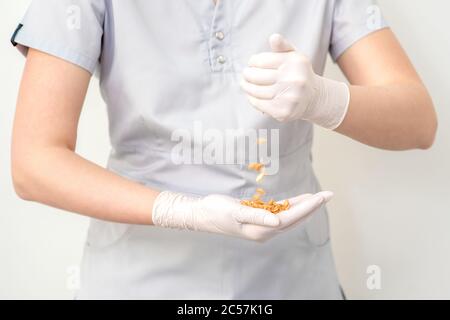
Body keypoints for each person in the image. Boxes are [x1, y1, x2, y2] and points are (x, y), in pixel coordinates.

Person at [10, 0, 437, 299]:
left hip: (290, 281)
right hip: (140, 281)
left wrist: (323, 99)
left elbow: (418, 122)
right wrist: (183, 209)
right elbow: (34, 161)